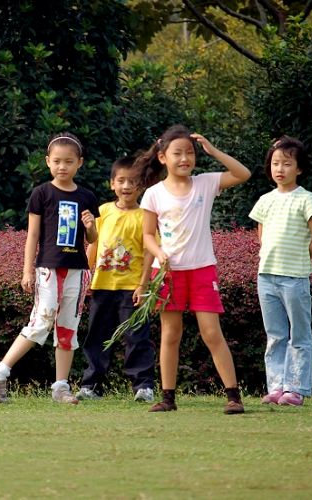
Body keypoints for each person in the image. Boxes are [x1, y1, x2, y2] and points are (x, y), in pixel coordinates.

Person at [137, 124, 251, 414]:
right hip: (168, 273)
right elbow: (147, 236)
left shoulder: (206, 183)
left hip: (202, 270)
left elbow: (243, 174)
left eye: (190, 153)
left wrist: (214, 151)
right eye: (178, 153)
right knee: (170, 334)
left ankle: (233, 397)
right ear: (163, 157)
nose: (185, 158)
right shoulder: (153, 194)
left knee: (212, 333)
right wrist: (159, 253)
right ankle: (168, 398)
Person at [0, 132, 99, 405]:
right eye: (57, 161)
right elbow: (32, 235)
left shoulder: (87, 197)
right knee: (41, 322)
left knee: (68, 328)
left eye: (68, 162)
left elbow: (92, 239)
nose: (62, 166)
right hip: (47, 268)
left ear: (79, 163)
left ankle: (61, 387)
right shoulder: (41, 193)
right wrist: (27, 271)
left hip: (77, 271)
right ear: (47, 162)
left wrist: (91, 227)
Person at [249, 136, 312, 406]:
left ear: (299, 168)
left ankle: (296, 389)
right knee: (275, 335)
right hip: (266, 277)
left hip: (295, 278)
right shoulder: (264, 201)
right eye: (275, 163)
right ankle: (277, 387)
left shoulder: (307, 199)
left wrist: (295, 259)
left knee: (299, 335)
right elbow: (262, 237)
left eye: (286, 164)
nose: (279, 169)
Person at [76, 155, 156, 402]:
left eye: (132, 182)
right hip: (102, 286)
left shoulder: (146, 215)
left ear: (140, 185)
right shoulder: (103, 212)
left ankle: (143, 386)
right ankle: (91, 386)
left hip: (132, 288)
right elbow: (93, 245)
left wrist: (143, 286)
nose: (126, 186)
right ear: (112, 184)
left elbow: (148, 254)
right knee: (97, 338)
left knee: (136, 338)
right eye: (121, 181)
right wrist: (85, 278)